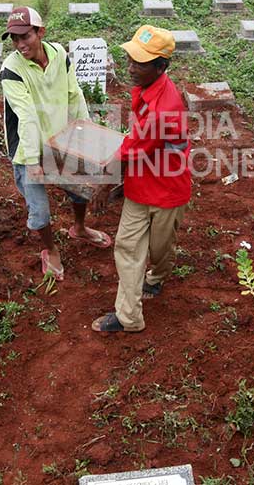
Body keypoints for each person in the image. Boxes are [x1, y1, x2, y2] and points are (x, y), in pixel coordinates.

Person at [91, 26, 192, 334]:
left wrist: (104, 182)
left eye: (140, 63)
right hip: (141, 186)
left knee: (160, 249)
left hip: (167, 192)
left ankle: (157, 277)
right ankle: (129, 317)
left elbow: (131, 148)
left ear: (161, 67)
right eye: (131, 59)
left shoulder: (164, 109)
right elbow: (135, 143)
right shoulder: (151, 90)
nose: (131, 68)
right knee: (128, 247)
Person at [0, 6, 112, 280]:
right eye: (14, 39)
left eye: (25, 36)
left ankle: (80, 228)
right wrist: (32, 161)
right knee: (39, 210)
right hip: (28, 147)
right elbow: (26, 116)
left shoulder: (59, 55)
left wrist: (84, 133)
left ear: (41, 32)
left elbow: (74, 95)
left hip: (62, 138)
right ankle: (49, 249)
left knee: (79, 190)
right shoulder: (11, 70)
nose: (20, 44)